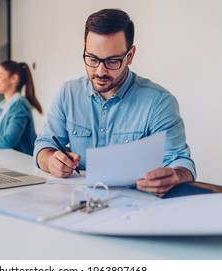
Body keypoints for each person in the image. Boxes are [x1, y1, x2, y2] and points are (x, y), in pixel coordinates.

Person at [34, 8, 196, 197]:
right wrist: (51, 160)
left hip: (134, 207)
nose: (100, 71)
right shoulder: (68, 93)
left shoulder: (159, 102)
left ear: (131, 55)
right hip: (78, 202)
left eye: (112, 61)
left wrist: (175, 176)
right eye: (92, 59)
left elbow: (182, 162)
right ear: (84, 49)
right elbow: (43, 145)